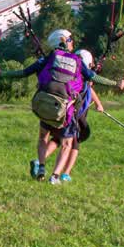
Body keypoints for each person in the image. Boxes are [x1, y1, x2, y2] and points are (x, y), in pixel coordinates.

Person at [0, 29, 124, 181]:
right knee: (67, 143)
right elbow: (93, 77)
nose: (72, 42)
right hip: (65, 109)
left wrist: (1, 73)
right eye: (70, 40)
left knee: (43, 137)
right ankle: (55, 176)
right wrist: (116, 84)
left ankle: (41, 167)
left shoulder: (48, 58)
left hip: (45, 105)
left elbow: (24, 72)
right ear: (63, 41)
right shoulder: (77, 60)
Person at [49, 49, 107, 184]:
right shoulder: (82, 76)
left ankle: (41, 163)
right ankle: (63, 174)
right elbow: (90, 87)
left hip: (65, 111)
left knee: (59, 139)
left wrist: (98, 103)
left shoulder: (71, 72)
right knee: (73, 143)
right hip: (76, 113)